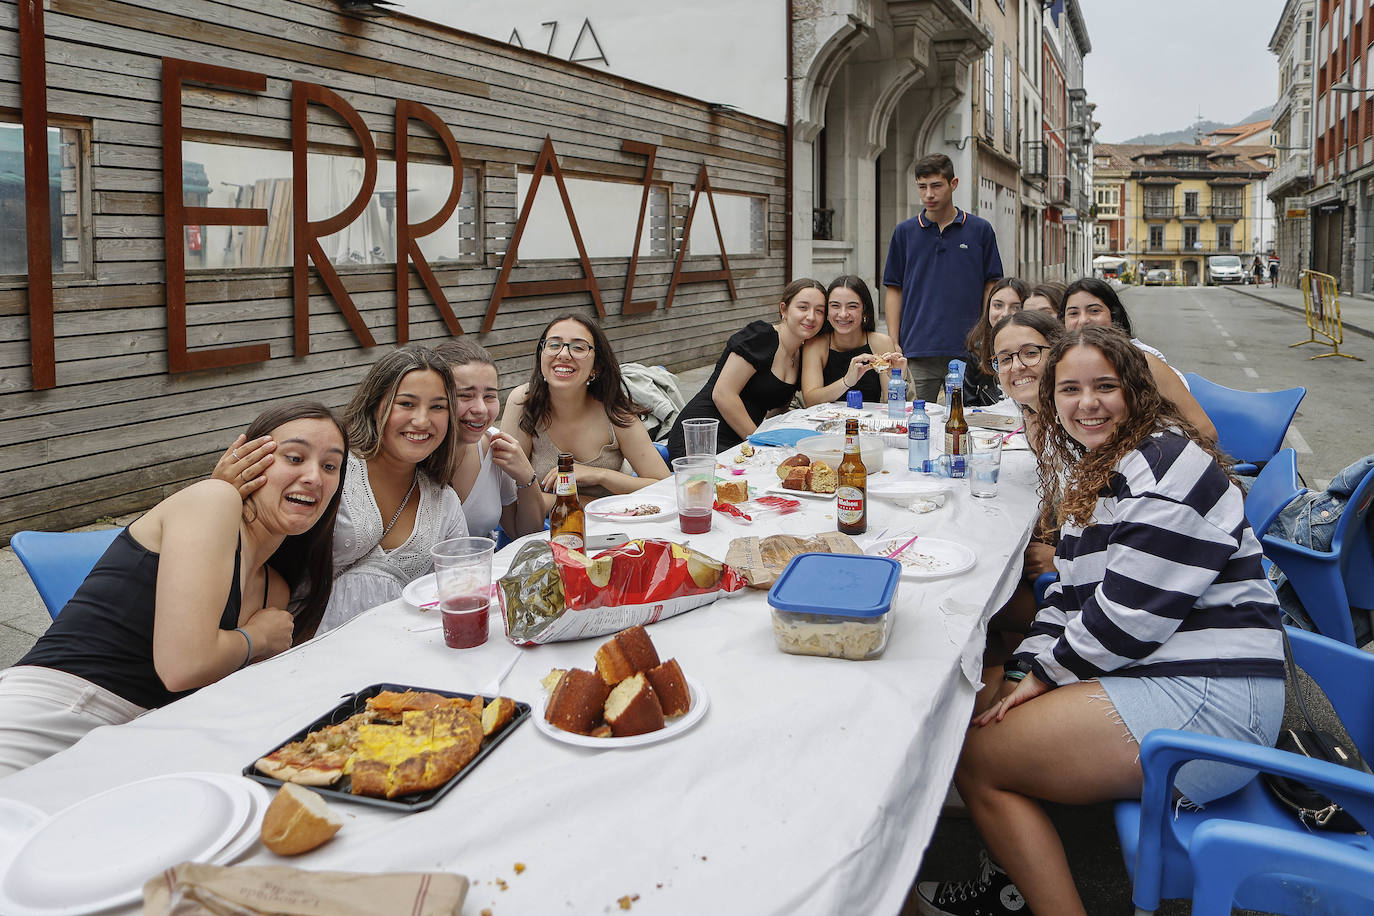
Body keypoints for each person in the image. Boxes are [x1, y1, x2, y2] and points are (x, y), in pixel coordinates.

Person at [916, 326, 1285, 916]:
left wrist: (1041, 679)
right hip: (1168, 673)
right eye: (1070, 389)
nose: (1086, 403)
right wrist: (1024, 671)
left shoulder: (1162, 469)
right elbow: (1067, 592)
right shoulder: (1109, 463)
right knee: (986, 705)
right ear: (1051, 397)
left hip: (1214, 706)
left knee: (976, 758)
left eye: (1105, 387)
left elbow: (1125, 621)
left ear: (1136, 390)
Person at [0, 402, 348, 777]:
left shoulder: (275, 591)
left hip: (139, 744)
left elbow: (234, 703)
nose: (314, 476)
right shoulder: (212, 500)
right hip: (55, 713)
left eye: (330, 466)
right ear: (247, 459)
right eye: (294, 458)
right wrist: (257, 639)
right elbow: (183, 667)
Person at [317, 345, 468, 633]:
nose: (422, 420)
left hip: (395, 658)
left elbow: (460, 588)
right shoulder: (332, 470)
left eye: (438, 407)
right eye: (406, 404)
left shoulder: (444, 501)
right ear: (375, 405)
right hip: (305, 653)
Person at [502, 314, 669, 505]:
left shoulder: (614, 410)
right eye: (554, 345)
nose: (563, 354)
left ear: (596, 367)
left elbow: (663, 486)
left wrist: (600, 475)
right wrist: (586, 502)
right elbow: (509, 490)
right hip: (543, 527)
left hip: (612, 525)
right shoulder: (524, 401)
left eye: (579, 347)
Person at [882, 153, 1004, 402]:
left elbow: (991, 286)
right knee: (918, 417)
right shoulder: (904, 232)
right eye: (922, 187)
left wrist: (985, 336)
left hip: (967, 349)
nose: (929, 194)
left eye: (936, 185)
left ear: (953, 184)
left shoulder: (980, 230)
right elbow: (894, 288)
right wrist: (893, 340)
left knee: (964, 420)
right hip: (918, 348)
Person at [666, 279, 826, 460]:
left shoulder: (802, 355)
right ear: (784, 310)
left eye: (819, 310)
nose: (811, 316)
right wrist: (760, 442)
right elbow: (723, 394)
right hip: (702, 437)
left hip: (744, 439)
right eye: (803, 307)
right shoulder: (760, 336)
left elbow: (776, 410)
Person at [1058, 277, 1218, 442]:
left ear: (1113, 315)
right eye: (1074, 313)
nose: (1084, 320)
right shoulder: (1062, 365)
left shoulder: (1144, 361)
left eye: (1094, 311)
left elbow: (1205, 431)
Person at [434, 338, 546, 542]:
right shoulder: (412, 453)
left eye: (489, 396)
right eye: (465, 396)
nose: (481, 409)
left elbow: (525, 534)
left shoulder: (494, 446)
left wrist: (526, 477)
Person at [800, 275, 902, 406]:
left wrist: (899, 378)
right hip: (825, 424)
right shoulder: (815, 344)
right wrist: (847, 381)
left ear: (865, 311)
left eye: (852, 306)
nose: (843, 314)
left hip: (869, 424)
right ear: (827, 310)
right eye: (835, 306)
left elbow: (892, 404)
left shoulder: (881, 343)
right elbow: (811, 401)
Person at [963, 277, 1030, 406]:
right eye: (998, 305)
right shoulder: (977, 350)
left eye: (1016, 307)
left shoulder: (1038, 350)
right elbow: (968, 405)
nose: (1005, 313)